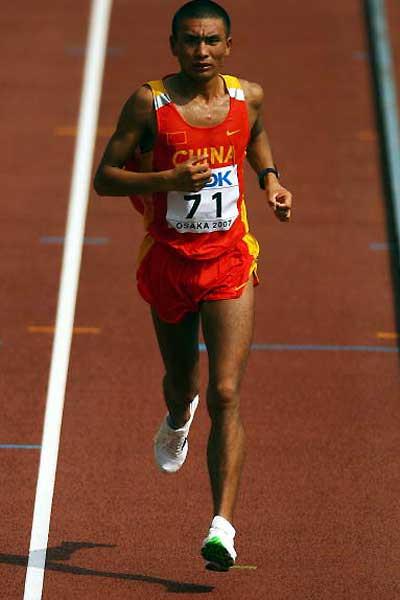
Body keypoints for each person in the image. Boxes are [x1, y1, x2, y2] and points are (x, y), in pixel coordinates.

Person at [94, 0, 292, 571]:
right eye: (190, 41)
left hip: (229, 260)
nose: (201, 51)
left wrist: (270, 181)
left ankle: (221, 528)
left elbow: (256, 135)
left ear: (228, 45)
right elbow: (104, 179)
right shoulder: (149, 103)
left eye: (211, 41)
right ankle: (178, 416)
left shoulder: (247, 97)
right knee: (184, 384)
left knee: (226, 392)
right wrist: (168, 178)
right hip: (169, 260)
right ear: (173, 45)